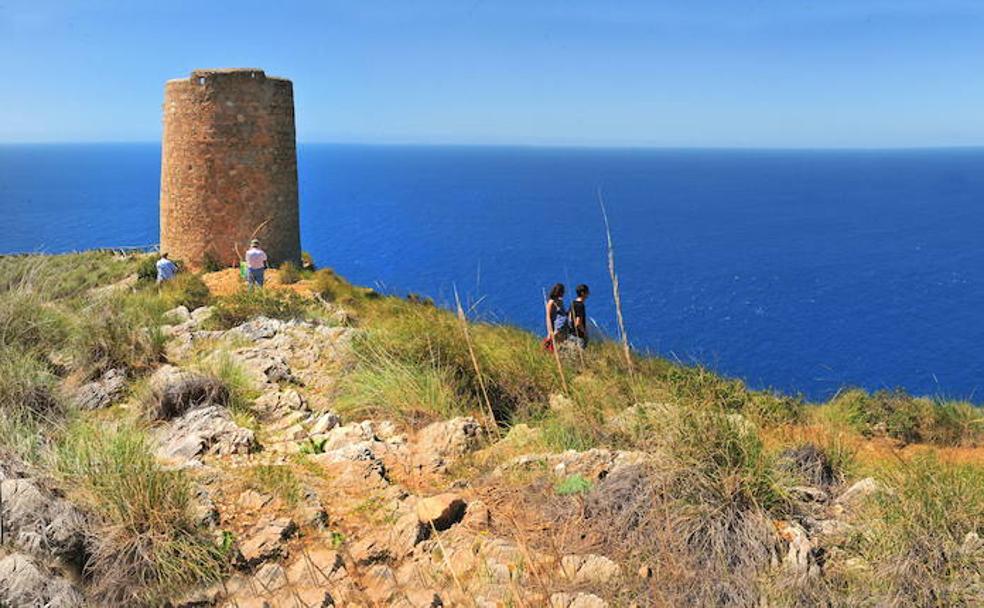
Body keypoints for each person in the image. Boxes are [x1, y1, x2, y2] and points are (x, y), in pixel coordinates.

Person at [543, 283, 570, 351]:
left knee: (561, 345)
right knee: (553, 345)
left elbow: (562, 313)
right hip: (557, 328)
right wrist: (550, 331)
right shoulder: (551, 302)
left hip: (563, 327)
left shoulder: (560, 301)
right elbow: (548, 317)